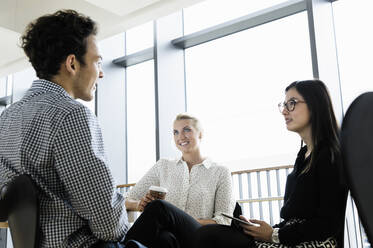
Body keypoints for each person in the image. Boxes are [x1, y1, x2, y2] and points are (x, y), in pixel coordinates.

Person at [0, 10, 201, 248]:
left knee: (164, 231)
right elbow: (108, 225)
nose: (102, 72)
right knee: (165, 220)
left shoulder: (7, 117)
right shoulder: (70, 114)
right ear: (72, 63)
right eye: (97, 61)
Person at [194, 80, 348, 248]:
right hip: (292, 238)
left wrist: (274, 234)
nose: (284, 111)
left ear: (315, 105)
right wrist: (260, 230)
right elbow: (292, 220)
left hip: (314, 243)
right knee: (213, 233)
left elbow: (328, 223)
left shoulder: (330, 155)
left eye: (292, 103)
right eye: (284, 104)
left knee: (210, 236)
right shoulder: (304, 155)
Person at [125, 113, 235, 226]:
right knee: (160, 225)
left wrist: (178, 222)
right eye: (175, 132)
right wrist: (139, 204)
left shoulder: (220, 172)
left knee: (159, 207)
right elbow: (126, 200)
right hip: (165, 236)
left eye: (187, 130)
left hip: (197, 237)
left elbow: (224, 221)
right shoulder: (163, 166)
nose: (180, 137)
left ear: (200, 134)